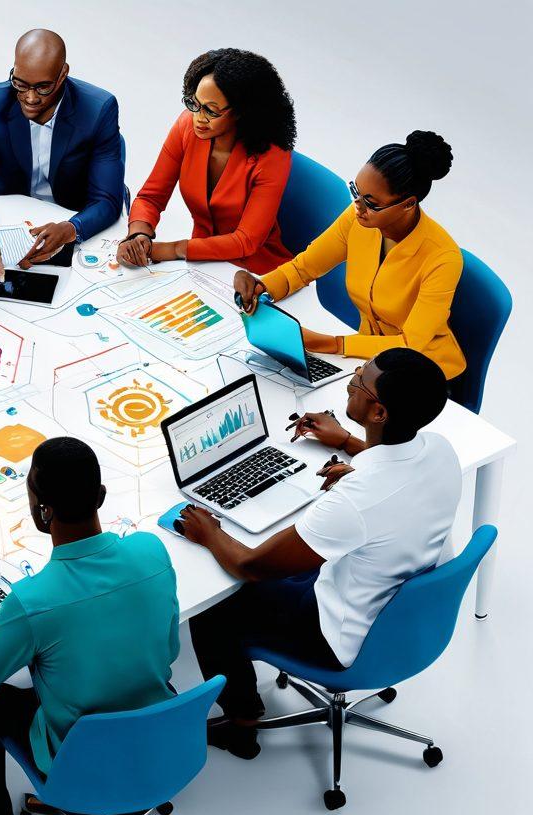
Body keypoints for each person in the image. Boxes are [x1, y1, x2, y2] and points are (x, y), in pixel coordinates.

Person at [178, 348, 459, 758]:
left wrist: (209, 532)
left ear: (379, 412)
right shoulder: (439, 447)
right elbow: (394, 478)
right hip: (395, 606)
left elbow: (251, 566)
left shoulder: (355, 500)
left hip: (339, 634)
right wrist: (347, 442)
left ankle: (242, 724)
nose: (353, 376)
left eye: (361, 378)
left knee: (216, 604)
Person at [0, 437, 179, 815]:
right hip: (159, 738)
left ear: (41, 510)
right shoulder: (152, 550)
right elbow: (168, 650)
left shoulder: (33, 601)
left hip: (80, 757)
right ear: (100, 495)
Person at [235, 131, 466, 381]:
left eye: (371, 203)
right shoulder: (357, 219)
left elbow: (409, 345)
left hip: (421, 374)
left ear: (409, 204)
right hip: (365, 359)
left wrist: (329, 344)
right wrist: (261, 286)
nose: (358, 206)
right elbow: (304, 268)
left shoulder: (443, 258)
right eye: (356, 191)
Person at [0, 29, 127, 278]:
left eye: (43, 87)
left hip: (74, 214)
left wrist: (70, 229)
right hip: (11, 217)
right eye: (20, 84)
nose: (30, 98)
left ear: (63, 73)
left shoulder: (99, 108)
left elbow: (107, 200)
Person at [121, 48, 296, 273]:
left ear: (242, 111)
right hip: (201, 265)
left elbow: (246, 241)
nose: (198, 118)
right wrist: (138, 235)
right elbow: (151, 197)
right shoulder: (186, 127)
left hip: (258, 272)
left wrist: (173, 250)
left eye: (211, 111)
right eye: (194, 104)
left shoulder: (273, 156)